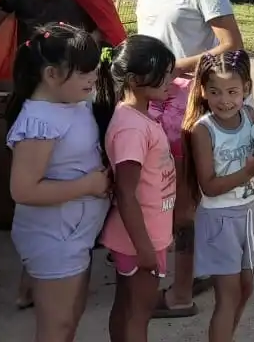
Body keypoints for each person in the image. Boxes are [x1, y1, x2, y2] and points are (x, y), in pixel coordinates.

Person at [134, 0, 247, 318]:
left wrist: (173, 67)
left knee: (184, 199)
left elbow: (229, 45)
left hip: (187, 97)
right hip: (153, 97)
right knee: (162, 189)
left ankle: (180, 292)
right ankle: (188, 271)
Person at [6, 23, 112, 342]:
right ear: (51, 75)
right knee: (56, 328)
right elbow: (23, 189)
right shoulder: (40, 122)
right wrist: (89, 186)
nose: (93, 78)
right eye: (84, 73)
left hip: (75, 233)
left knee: (70, 320)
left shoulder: (70, 102)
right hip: (54, 237)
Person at [93, 36, 178, 342]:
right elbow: (126, 193)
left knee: (128, 307)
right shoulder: (131, 127)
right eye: (164, 74)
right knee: (138, 315)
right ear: (134, 80)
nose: (171, 80)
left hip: (142, 233)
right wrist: (145, 249)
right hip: (139, 239)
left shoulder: (137, 115)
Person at [183, 50, 254, 342]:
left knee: (246, 288)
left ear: (246, 88)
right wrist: (248, 173)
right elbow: (208, 186)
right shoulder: (203, 131)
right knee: (228, 296)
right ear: (203, 91)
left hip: (246, 213)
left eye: (233, 91)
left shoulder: (248, 115)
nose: (225, 100)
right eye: (215, 92)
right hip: (219, 218)